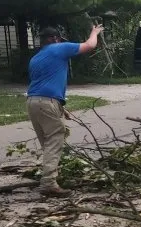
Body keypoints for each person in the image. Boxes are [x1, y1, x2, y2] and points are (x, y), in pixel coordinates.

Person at [26, 24, 103, 198]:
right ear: (55, 39)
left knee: (47, 143)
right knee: (55, 140)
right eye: (59, 39)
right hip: (46, 102)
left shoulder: (36, 58)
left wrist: (61, 107)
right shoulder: (58, 48)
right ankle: (48, 184)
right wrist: (94, 32)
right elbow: (90, 45)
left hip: (33, 102)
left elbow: (44, 83)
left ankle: (50, 177)